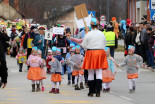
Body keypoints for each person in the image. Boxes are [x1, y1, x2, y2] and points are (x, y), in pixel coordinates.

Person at [82, 18, 108, 97]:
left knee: (90, 73)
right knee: (99, 72)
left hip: (91, 53)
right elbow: (104, 44)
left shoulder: (88, 34)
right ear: (98, 25)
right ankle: (98, 91)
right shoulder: (102, 33)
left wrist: (88, 47)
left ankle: (91, 91)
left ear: (91, 25)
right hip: (100, 52)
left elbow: (83, 45)